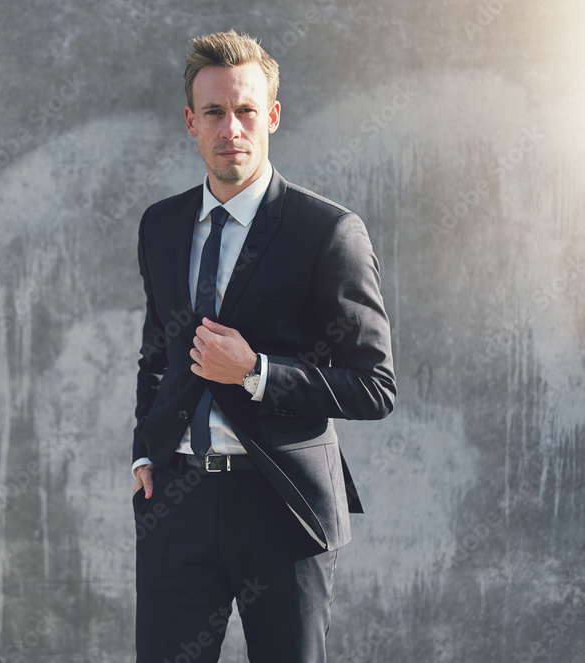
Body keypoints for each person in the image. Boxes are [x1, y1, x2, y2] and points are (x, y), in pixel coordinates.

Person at [131, 30, 396, 662]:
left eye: (246, 110)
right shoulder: (162, 225)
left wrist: (258, 372)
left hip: (282, 506)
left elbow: (376, 387)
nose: (232, 128)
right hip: (180, 502)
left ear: (271, 116)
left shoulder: (327, 232)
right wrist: (144, 450)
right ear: (190, 122)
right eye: (215, 113)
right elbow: (156, 351)